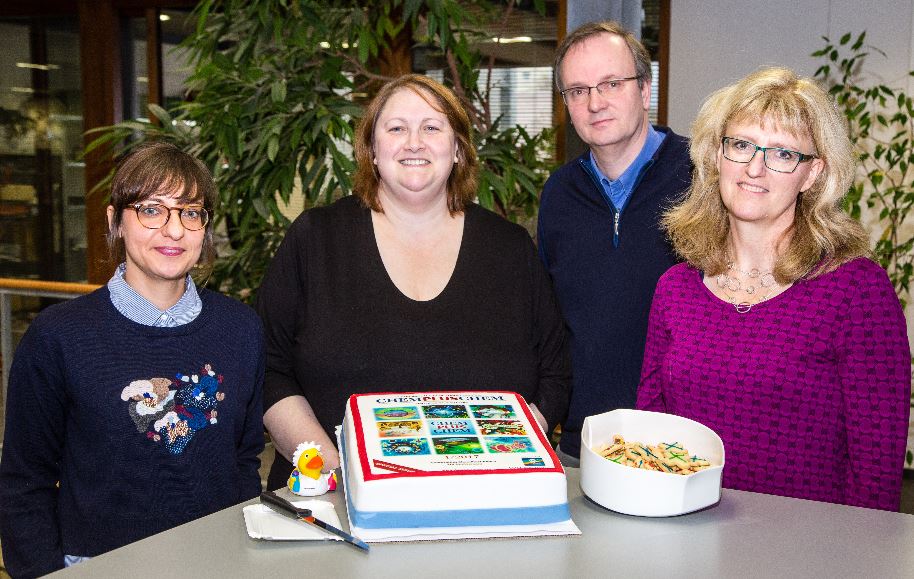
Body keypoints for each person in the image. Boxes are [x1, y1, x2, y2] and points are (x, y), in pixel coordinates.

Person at [257, 74, 571, 491]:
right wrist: (333, 470)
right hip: (334, 497)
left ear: (457, 148)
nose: (414, 142)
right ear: (371, 148)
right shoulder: (315, 240)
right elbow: (268, 366)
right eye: (396, 128)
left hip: (486, 500)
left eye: (432, 127)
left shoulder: (510, 249)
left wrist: (510, 452)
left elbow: (556, 370)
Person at [637, 67, 910, 511]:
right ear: (715, 155)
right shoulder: (676, 288)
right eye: (741, 145)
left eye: (782, 153)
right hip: (685, 540)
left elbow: (876, 473)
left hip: (808, 553)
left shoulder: (856, 291)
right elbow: (651, 433)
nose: (754, 168)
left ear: (813, 174)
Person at [0, 142, 265, 577]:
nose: (174, 230)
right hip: (97, 566)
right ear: (114, 221)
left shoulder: (241, 330)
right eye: (151, 210)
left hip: (217, 563)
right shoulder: (59, 336)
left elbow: (243, 460)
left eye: (190, 212)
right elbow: (24, 484)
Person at [536, 21, 692, 465]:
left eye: (610, 84)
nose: (595, 103)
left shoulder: (703, 178)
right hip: (583, 442)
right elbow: (549, 320)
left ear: (645, 90)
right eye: (578, 90)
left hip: (680, 440)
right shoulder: (559, 194)